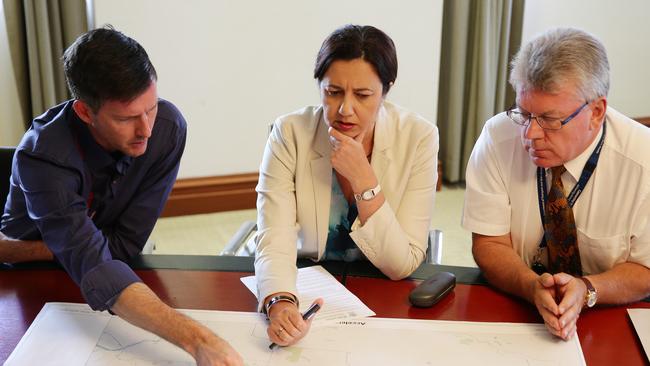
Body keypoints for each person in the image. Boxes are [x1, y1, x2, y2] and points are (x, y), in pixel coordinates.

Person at [0, 27, 242, 365]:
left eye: (151, 108)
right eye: (126, 118)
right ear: (85, 112)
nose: (145, 129)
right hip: (26, 282)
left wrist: (76, 248)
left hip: (87, 267)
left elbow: (124, 248)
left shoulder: (167, 129)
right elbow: (97, 264)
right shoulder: (42, 158)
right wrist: (199, 340)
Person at [254, 24, 439, 347]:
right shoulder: (290, 133)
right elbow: (275, 236)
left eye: (363, 95)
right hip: (313, 288)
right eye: (333, 92)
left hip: (389, 298)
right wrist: (280, 301)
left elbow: (402, 264)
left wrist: (364, 180)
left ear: (386, 90)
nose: (345, 109)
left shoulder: (419, 137)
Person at [462, 28, 650, 340]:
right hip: (519, 309)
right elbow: (489, 243)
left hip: (612, 316)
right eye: (524, 114)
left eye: (550, 120)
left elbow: (645, 269)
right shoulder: (497, 138)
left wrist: (589, 289)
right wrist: (529, 285)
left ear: (596, 112)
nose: (530, 134)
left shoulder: (644, 161)